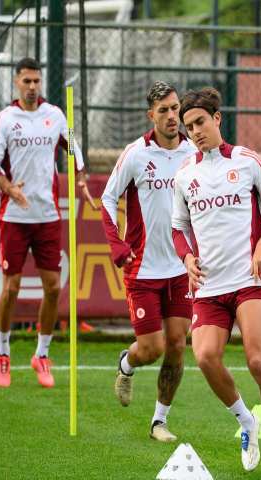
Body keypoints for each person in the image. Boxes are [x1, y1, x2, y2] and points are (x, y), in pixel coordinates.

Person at [171, 87, 261, 478]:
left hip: (247, 281)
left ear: (217, 119)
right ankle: (246, 421)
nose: (194, 131)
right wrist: (187, 257)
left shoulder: (247, 161)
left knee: (258, 360)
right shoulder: (185, 175)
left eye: (200, 122)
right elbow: (178, 228)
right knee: (205, 357)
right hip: (208, 288)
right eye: (188, 126)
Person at [0, 57, 96, 389]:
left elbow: (73, 150)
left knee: (52, 288)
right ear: (16, 82)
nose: (32, 87)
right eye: (26, 81)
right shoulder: (6, 119)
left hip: (48, 216)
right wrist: (8, 188)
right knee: (12, 288)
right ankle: (2, 352)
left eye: (36, 81)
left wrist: (80, 179)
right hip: (15, 217)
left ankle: (42, 354)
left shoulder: (56, 116)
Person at [101, 81, 196, 441]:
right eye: (164, 111)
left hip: (181, 268)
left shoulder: (194, 153)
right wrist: (117, 245)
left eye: (175, 109)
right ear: (150, 115)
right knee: (152, 348)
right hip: (141, 268)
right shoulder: (136, 153)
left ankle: (159, 421)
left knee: (176, 344)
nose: (172, 116)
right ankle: (127, 363)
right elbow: (108, 199)